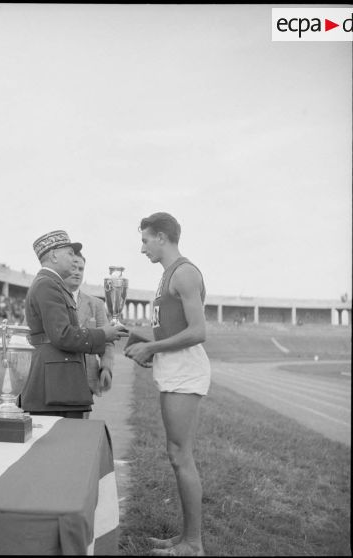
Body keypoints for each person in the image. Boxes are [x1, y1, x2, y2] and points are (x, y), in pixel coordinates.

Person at [124, 212, 210, 557]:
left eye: (146, 240)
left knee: (180, 456)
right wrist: (145, 344)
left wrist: (152, 347)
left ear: (162, 236)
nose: (142, 247)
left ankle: (193, 544)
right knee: (176, 455)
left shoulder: (185, 273)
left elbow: (198, 331)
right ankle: (185, 538)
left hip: (185, 371)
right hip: (173, 367)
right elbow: (173, 330)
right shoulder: (166, 277)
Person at [21, 230, 128, 418]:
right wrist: (103, 334)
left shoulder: (53, 284)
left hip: (61, 382)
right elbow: (61, 335)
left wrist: (106, 365)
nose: (73, 260)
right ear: (54, 256)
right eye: (69, 253)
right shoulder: (48, 284)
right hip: (57, 383)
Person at [64, 252, 114, 397]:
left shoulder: (96, 304)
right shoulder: (48, 299)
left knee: (82, 420)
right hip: (53, 377)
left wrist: (106, 368)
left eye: (81, 269)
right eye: (73, 268)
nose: (77, 273)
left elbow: (108, 340)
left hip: (86, 380)